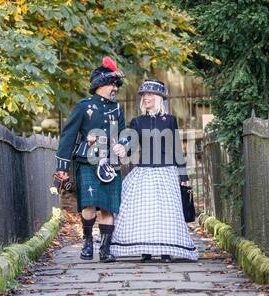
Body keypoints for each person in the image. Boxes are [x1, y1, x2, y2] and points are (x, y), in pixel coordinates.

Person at [110, 79, 199, 262]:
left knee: (166, 212)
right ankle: (146, 251)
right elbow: (131, 141)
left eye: (150, 94)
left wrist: (183, 175)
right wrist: (121, 147)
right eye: (144, 95)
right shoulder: (137, 121)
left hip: (166, 171)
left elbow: (176, 149)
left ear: (159, 98)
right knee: (145, 211)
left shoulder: (170, 121)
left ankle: (165, 251)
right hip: (144, 171)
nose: (146, 97)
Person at [54, 57, 127, 262]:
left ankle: (105, 249)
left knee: (108, 206)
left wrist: (124, 144)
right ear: (100, 85)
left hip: (111, 164)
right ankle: (87, 243)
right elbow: (68, 136)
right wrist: (62, 167)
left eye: (116, 85)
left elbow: (124, 133)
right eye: (112, 84)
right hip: (87, 160)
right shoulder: (83, 106)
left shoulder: (118, 109)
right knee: (88, 205)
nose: (115, 88)